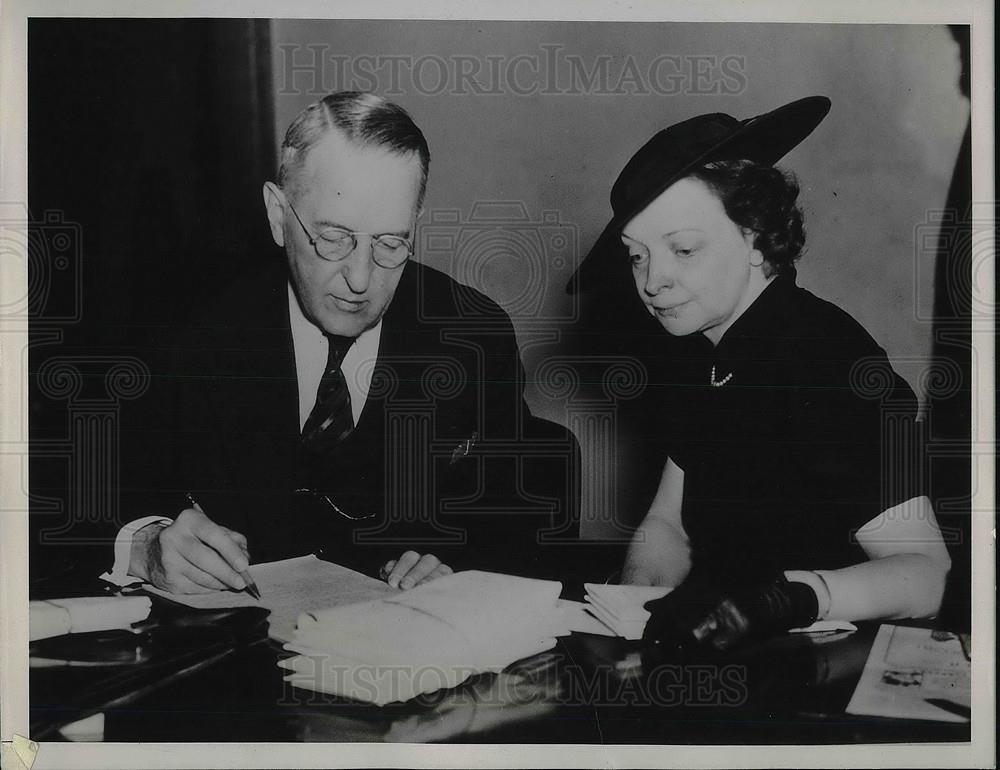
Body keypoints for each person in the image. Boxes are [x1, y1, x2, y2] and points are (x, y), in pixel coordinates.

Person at [103, 91, 578, 595]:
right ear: (277, 214)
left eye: (390, 243)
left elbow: (515, 521)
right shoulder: (185, 330)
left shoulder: (470, 339)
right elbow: (69, 494)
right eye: (333, 238)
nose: (360, 278)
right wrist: (143, 546)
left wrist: (458, 570)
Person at [572, 96, 951, 651]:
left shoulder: (830, 359)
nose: (653, 281)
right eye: (637, 255)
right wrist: (631, 619)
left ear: (753, 236)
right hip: (723, 650)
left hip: (826, 662)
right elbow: (669, 527)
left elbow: (928, 574)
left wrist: (784, 600)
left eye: (682, 248)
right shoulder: (698, 353)